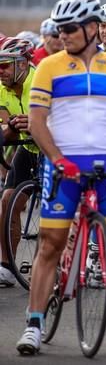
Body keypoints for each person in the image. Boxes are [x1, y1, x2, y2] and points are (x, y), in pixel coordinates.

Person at [17, 0, 106, 354]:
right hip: (64, 167)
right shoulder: (49, 66)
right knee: (49, 246)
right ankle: (34, 324)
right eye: (60, 29)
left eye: (70, 29)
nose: (63, 35)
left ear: (92, 29)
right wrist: (57, 159)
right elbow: (37, 122)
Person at [0, 38, 39, 287]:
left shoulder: (40, 82)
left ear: (23, 64)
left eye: (4, 65)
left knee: (55, 208)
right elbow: (5, 133)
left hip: (53, 146)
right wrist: (13, 127)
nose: (0, 72)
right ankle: (7, 266)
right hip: (27, 148)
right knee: (7, 202)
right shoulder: (1, 87)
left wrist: (36, 125)